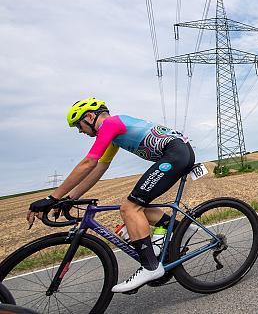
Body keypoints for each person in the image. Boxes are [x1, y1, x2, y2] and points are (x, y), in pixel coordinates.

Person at [27, 99, 195, 293]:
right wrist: (69, 198)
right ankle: (181, 228)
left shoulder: (110, 125)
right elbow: (99, 169)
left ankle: (150, 267)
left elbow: (88, 163)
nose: (81, 131)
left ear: (90, 117)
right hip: (177, 153)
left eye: (79, 126)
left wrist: (52, 198)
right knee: (135, 205)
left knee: (130, 208)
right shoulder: (114, 133)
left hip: (175, 154)